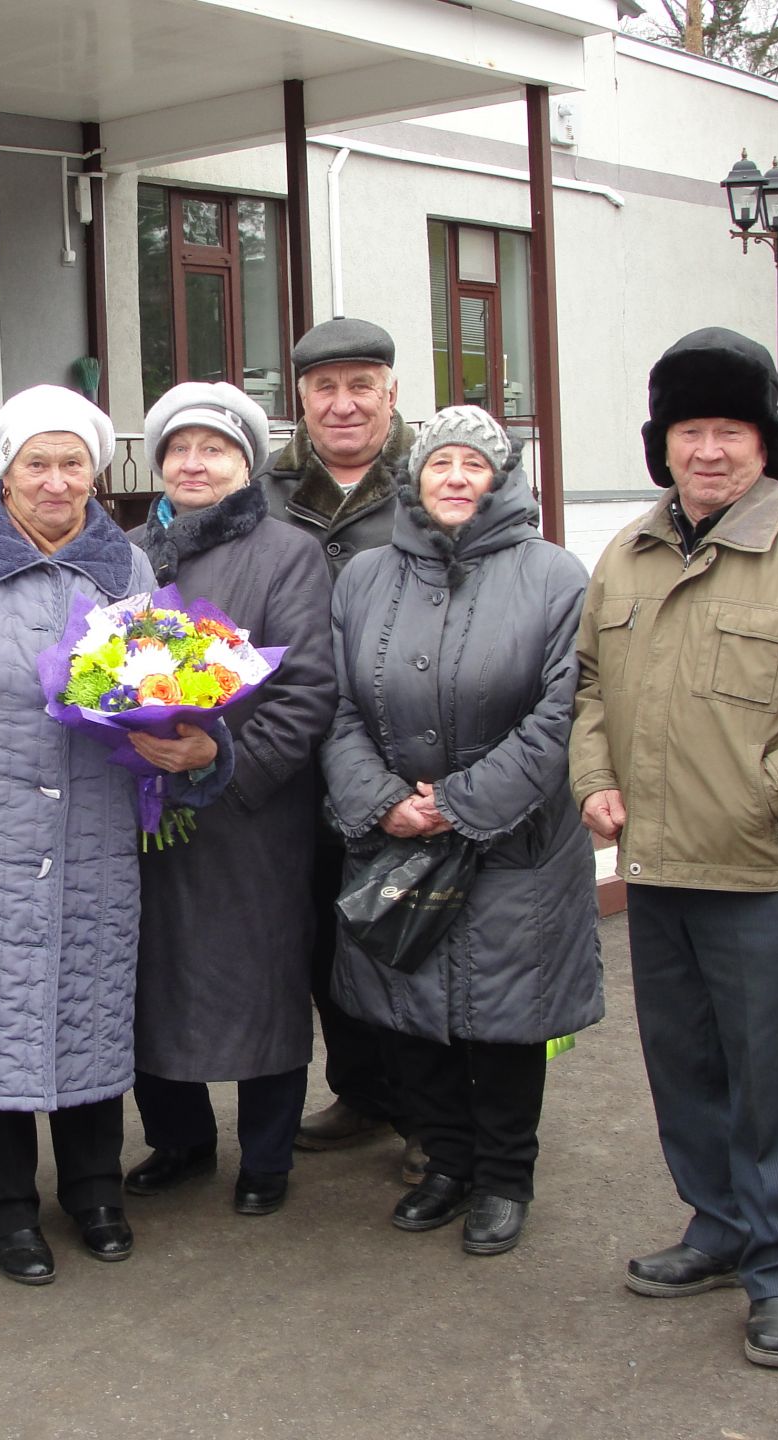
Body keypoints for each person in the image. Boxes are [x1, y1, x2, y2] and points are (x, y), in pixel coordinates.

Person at [571, 327, 778, 1368]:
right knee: (684, 1069)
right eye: (690, 431)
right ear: (662, 445)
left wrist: (767, 793)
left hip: (760, 873)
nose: (709, 450)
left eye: (731, 431)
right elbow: (590, 688)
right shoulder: (627, 555)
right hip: (658, 870)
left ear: (766, 445)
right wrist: (594, 781)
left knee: (772, 1079)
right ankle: (718, 1230)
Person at [0, 385, 230, 1285]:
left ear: (95, 472)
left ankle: (95, 1191)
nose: (57, 482)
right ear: (6, 471)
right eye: (37, 464)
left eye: (73, 464)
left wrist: (174, 745)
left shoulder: (124, 568)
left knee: (88, 1012)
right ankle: (8, 1208)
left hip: (95, 835)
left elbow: (155, 685)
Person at [322, 406, 601, 1257]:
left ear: (500, 478)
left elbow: (564, 712)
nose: (453, 477)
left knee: (505, 1015)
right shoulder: (366, 577)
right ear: (414, 476)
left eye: (472, 465)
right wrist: (383, 801)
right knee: (408, 1005)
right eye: (439, 462)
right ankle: (444, 1162)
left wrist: (461, 801)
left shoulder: (554, 576)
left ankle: (505, 1177)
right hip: (395, 832)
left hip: (516, 842)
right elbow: (337, 710)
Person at [122, 382, 336, 1217]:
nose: (193, 463)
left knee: (261, 980)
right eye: (179, 448)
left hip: (253, 814)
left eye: (214, 448)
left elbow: (309, 688)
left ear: (245, 464)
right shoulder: (133, 550)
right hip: (147, 805)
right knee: (154, 977)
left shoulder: (287, 554)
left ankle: (267, 1156)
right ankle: (178, 1140)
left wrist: (224, 757)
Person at [255, 316, 419, 1173]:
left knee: (413, 934)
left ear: (392, 393)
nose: (344, 404)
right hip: (291, 750)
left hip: (405, 749)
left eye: (362, 385)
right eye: (326, 387)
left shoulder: (437, 479)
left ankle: (435, 1115)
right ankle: (365, 1092)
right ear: (302, 400)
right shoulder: (267, 487)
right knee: (323, 934)